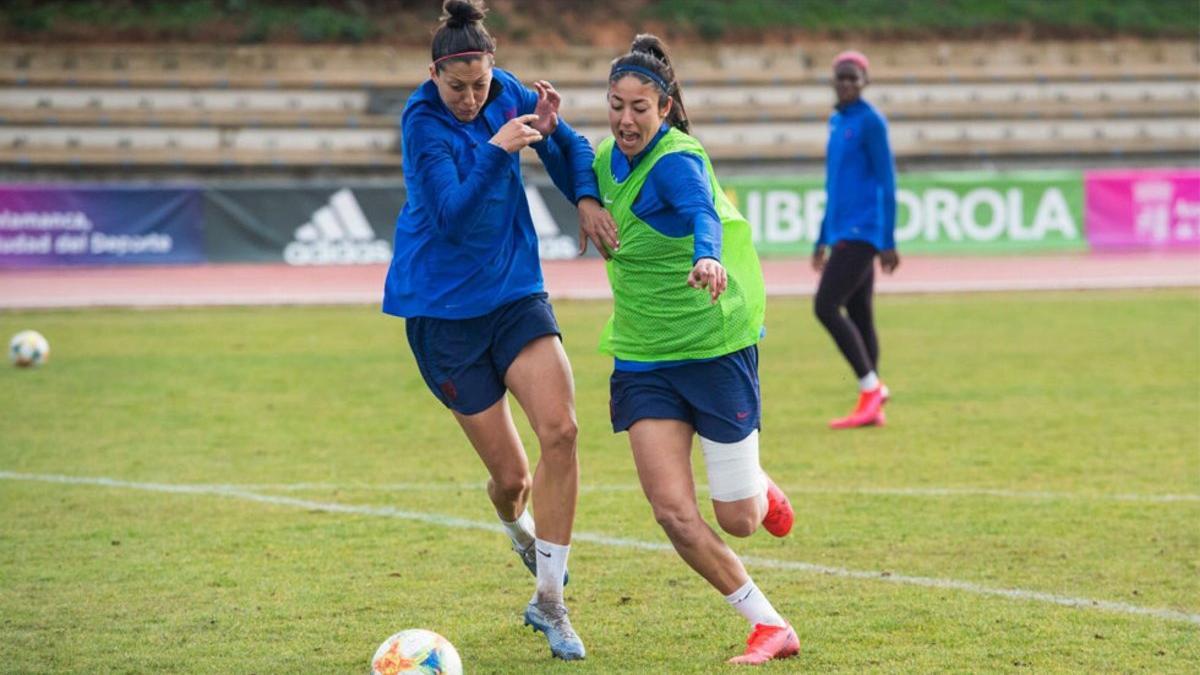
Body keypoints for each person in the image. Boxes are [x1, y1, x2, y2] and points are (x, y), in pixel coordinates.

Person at [381, 0, 614, 661]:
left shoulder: (506, 89)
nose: (472, 96)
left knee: (562, 431)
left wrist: (587, 197)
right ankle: (517, 525)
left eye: (481, 84)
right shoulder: (421, 122)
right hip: (443, 315)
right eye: (458, 86)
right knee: (513, 478)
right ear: (434, 75)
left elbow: (564, 143)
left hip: (514, 293)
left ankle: (550, 602)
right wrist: (496, 146)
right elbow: (452, 215)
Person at [583, 34, 800, 666]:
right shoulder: (603, 156)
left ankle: (756, 484)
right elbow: (577, 158)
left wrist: (707, 254)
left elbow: (702, 211)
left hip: (713, 346)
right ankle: (769, 625)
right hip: (645, 356)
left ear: (667, 107)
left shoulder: (677, 161)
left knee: (738, 519)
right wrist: (586, 198)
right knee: (674, 514)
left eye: (639, 108)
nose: (625, 120)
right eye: (615, 105)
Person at [812, 49, 899, 430]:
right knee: (860, 312)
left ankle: (871, 386)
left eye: (854, 78)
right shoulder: (836, 121)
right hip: (842, 230)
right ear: (833, 80)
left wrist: (888, 238)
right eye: (841, 78)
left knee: (826, 306)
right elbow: (834, 187)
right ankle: (872, 405)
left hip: (863, 231)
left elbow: (888, 182)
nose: (847, 84)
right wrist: (821, 237)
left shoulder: (871, 122)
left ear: (865, 83)